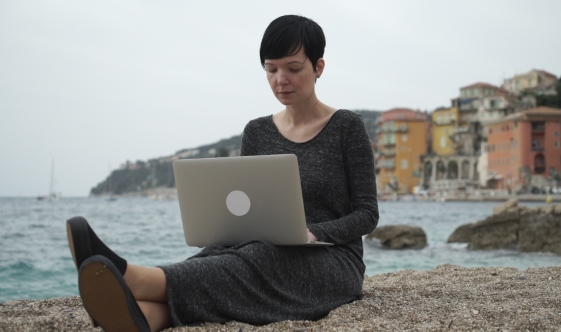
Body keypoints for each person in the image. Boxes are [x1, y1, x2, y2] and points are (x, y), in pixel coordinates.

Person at [67, 14, 379, 332]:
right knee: (217, 255)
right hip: (263, 249)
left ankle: (133, 278)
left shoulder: (347, 127)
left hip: (335, 260)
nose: (280, 80)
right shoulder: (257, 132)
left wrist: (313, 233)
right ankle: (146, 316)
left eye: (293, 69)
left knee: (258, 256)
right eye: (271, 70)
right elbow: (246, 214)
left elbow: (367, 214)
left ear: (318, 68)